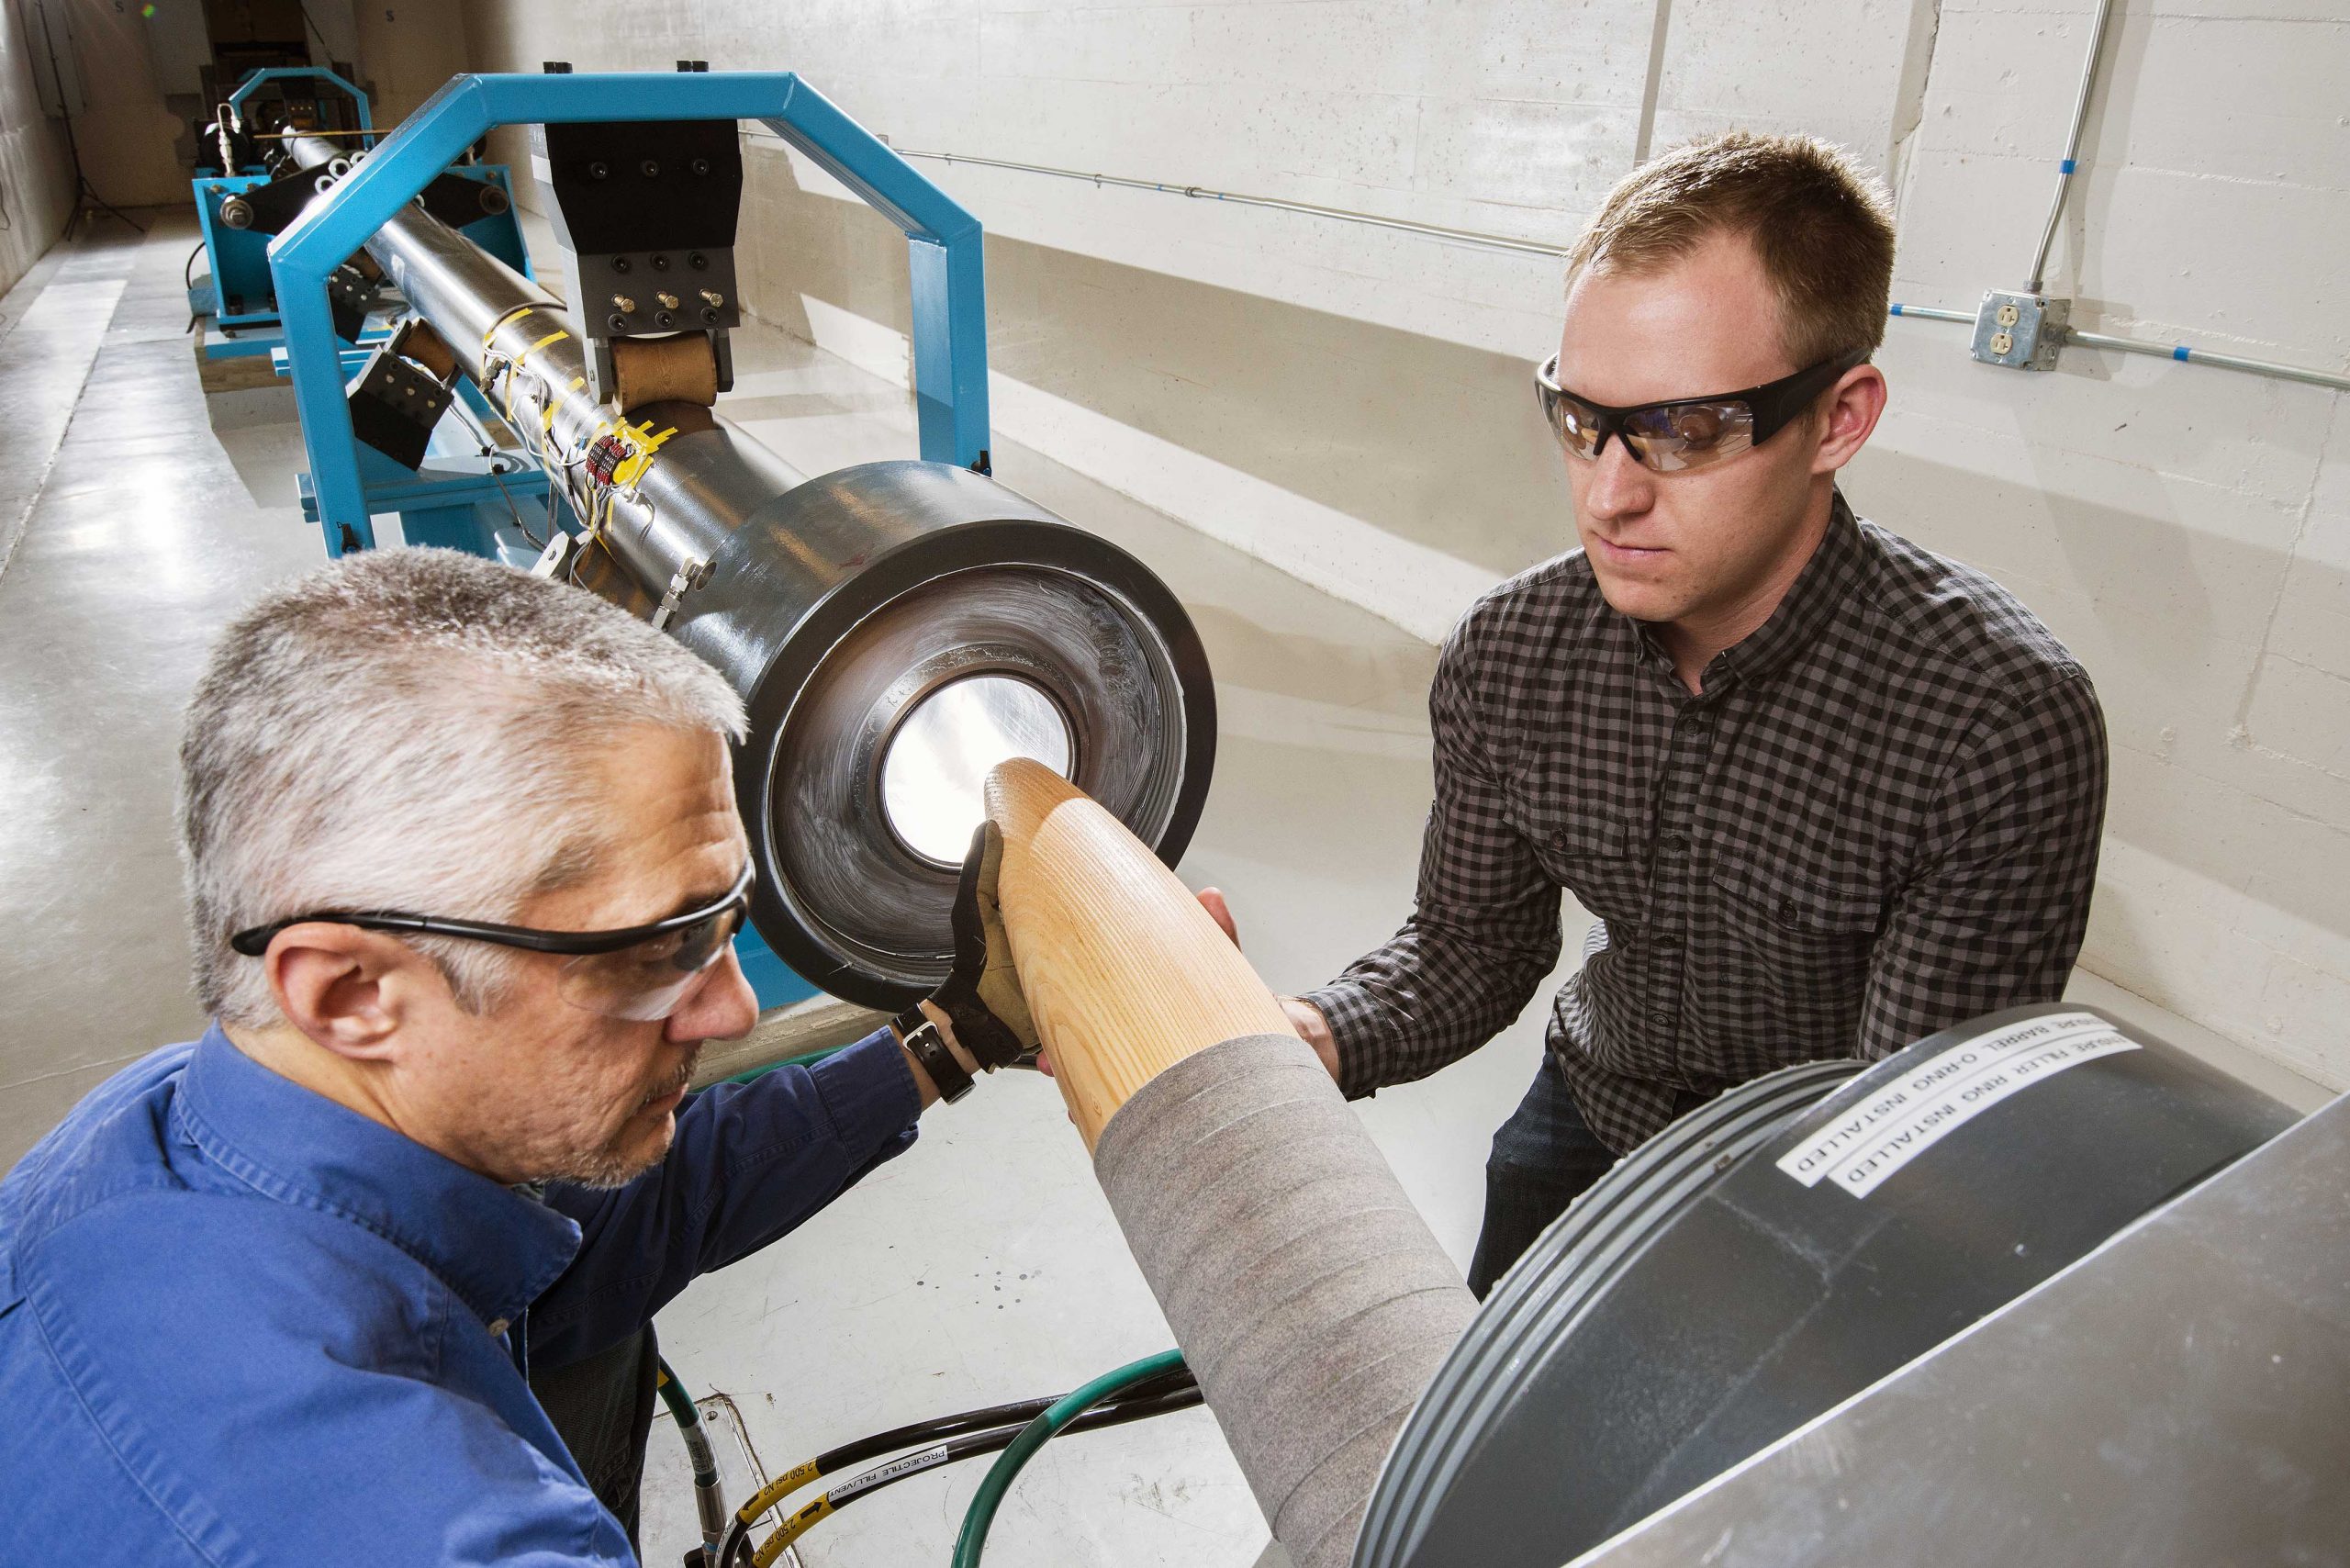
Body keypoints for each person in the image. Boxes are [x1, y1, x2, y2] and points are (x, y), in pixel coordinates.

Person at [0, 548, 1007, 1564]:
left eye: (723, 925)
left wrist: (962, 1032)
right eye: (662, 951)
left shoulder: (175, 1126)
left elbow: (612, 1233)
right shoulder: (460, 1534)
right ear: (352, 992)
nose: (736, 1009)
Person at [1280, 131, 2109, 1297]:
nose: (1609, 494)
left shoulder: (1991, 718)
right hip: (1591, 1107)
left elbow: (1907, 1125)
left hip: (1815, 1190)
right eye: (1582, 420)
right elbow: (1474, 946)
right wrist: (1308, 1036)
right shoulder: (1516, 652)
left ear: (1839, 418)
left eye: (1688, 429)